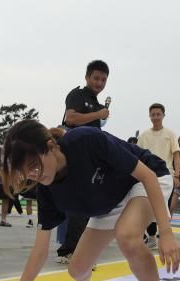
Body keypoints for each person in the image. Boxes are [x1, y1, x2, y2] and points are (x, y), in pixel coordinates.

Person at [0, 120, 179, 281]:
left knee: (126, 234)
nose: (33, 175)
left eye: (34, 164)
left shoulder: (86, 140)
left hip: (145, 180)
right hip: (109, 203)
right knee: (76, 269)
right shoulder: (47, 190)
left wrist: (165, 232)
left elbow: (147, 175)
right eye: (26, 172)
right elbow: (40, 251)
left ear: (51, 146)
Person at [57, 59, 110, 264]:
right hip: (73, 153)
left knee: (83, 203)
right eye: (96, 78)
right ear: (87, 77)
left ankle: (71, 248)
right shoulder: (78, 94)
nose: (99, 83)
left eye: (103, 80)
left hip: (89, 157)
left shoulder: (97, 103)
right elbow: (70, 119)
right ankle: (70, 250)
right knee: (80, 202)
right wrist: (98, 114)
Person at [136, 103, 180, 249]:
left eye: (158, 114)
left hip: (166, 176)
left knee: (164, 208)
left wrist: (177, 175)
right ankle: (152, 236)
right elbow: (138, 156)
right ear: (150, 116)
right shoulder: (144, 135)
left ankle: (164, 237)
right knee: (148, 205)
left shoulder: (170, 134)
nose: (155, 117)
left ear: (163, 115)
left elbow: (176, 154)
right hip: (148, 175)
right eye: (153, 114)